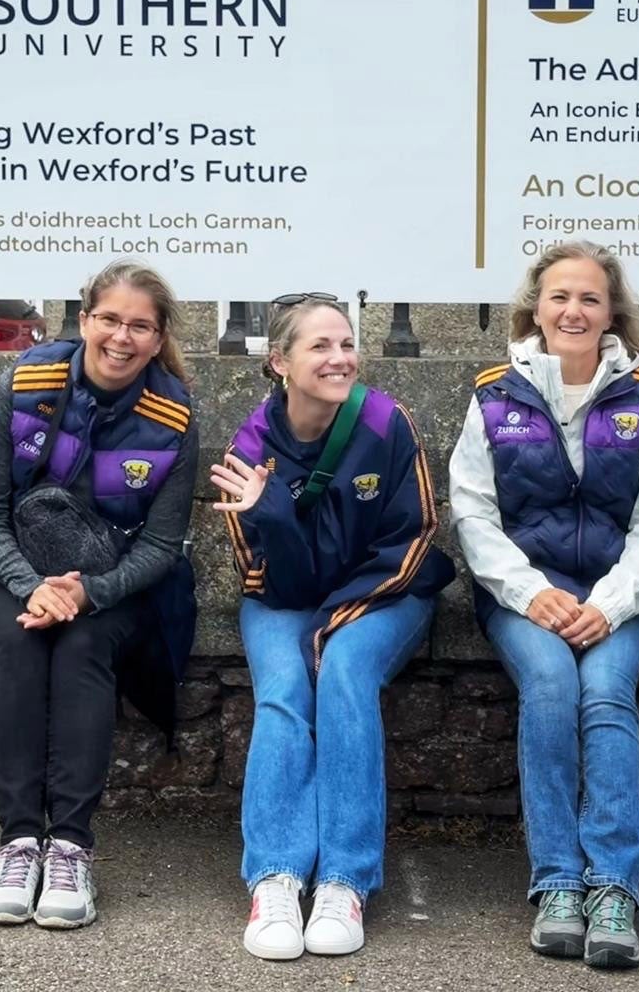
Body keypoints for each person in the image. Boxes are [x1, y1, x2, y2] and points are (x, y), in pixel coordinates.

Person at [0, 261, 198, 929]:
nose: (121, 337)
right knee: (19, 638)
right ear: (83, 321)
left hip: (112, 582)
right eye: (109, 319)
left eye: (140, 326)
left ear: (158, 339)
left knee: (80, 646)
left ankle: (72, 848)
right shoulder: (23, 384)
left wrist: (89, 593)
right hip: (2, 566)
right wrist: (34, 588)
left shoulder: (174, 417)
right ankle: (20, 843)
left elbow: (161, 546)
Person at [448, 240, 639, 969]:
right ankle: (557, 882)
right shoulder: (494, 396)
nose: (573, 311)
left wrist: (610, 605)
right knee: (552, 684)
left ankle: (613, 887)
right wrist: (533, 593)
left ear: (612, 311)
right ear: (537, 308)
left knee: (606, 691)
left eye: (589, 298)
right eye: (560, 296)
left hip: (621, 596)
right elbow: (473, 513)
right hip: (523, 594)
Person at [211, 294, 454, 961]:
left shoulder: (386, 422)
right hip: (285, 599)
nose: (340, 358)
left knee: (344, 670)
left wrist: (337, 620)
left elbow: (415, 538)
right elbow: (274, 582)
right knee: (285, 690)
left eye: (346, 343)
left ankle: (345, 881)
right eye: (320, 346)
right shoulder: (248, 451)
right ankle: (276, 878)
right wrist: (273, 514)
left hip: (384, 594)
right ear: (279, 362)